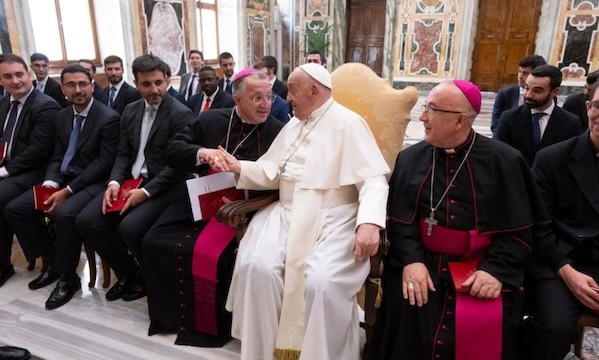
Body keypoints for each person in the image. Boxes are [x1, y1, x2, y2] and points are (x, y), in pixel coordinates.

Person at [212, 63, 389, 360]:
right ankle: (265, 353)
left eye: (292, 90)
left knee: (321, 281)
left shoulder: (349, 123)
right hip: (285, 213)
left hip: (333, 218)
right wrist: (239, 166)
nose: (286, 98)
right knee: (258, 267)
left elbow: (373, 179)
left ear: (313, 90)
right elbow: (272, 172)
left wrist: (369, 223)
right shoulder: (293, 124)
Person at [373, 80, 547, 360]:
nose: (422, 117)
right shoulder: (409, 159)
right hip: (423, 260)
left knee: (494, 314)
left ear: (460, 121)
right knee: (407, 306)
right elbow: (399, 222)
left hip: (483, 263)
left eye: (431, 109)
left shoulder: (505, 161)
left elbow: (520, 231)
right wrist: (411, 261)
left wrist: (496, 270)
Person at [142, 68, 283, 346]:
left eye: (268, 96)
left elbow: (278, 180)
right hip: (201, 197)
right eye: (256, 98)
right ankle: (170, 318)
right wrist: (201, 153)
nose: (265, 104)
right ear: (237, 99)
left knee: (216, 256)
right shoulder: (210, 119)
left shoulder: (279, 131)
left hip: (242, 206)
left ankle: (211, 327)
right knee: (153, 241)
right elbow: (173, 150)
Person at [522, 69, 599, 360]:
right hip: (560, 264)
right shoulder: (551, 158)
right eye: (598, 105)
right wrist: (567, 271)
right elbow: (538, 225)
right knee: (553, 328)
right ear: (588, 106)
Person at [75, 54, 193, 303]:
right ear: (136, 83)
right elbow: (122, 153)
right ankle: (131, 273)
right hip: (129, 182)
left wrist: (146, 193)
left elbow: (177, 166)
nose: (154, 89)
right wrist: (114, 182)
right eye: (147, 84)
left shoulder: (180, 113)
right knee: (87, 221)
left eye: (159, 82)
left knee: (131, 226)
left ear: (167, 80)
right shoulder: (130, 110)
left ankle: (151, 277)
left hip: (163, 185)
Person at [4, 64, 119, 309]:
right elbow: (57, 154)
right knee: (15, 209)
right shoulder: (62, 116)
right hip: (63, 180)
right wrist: (51, 183)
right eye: (70, 85)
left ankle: (68, 279)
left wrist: (67, 191)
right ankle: (55, 264)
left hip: (92, 182)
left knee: (64, 214)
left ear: (92, 85)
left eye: (82, 84)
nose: (77, 90)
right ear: (63, 88)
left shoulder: (108, 118)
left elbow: (102, 165)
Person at [0, 53, 61, 288]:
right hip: (11, 169)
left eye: (19, 74)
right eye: (8, 76)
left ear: (29, 74)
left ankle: (51, 260)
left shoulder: (45, 105)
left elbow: (39, 151)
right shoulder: (4, 103)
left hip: (37, 171)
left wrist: (4, 171)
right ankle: (3, 265)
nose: (15, 81)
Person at [495, 64, 582, 167]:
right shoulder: (509, 118)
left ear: (554, 92)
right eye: (527, 88)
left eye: (537, 91)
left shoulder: (571, 123)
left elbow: (570, 161)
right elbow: (499, 156)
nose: (528, 95)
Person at [491, 55, 547, 133]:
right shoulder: (505, 94)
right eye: (519, 71)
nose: (520, 76)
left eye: (525, 73)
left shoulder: (547, 96)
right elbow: (495, 124)